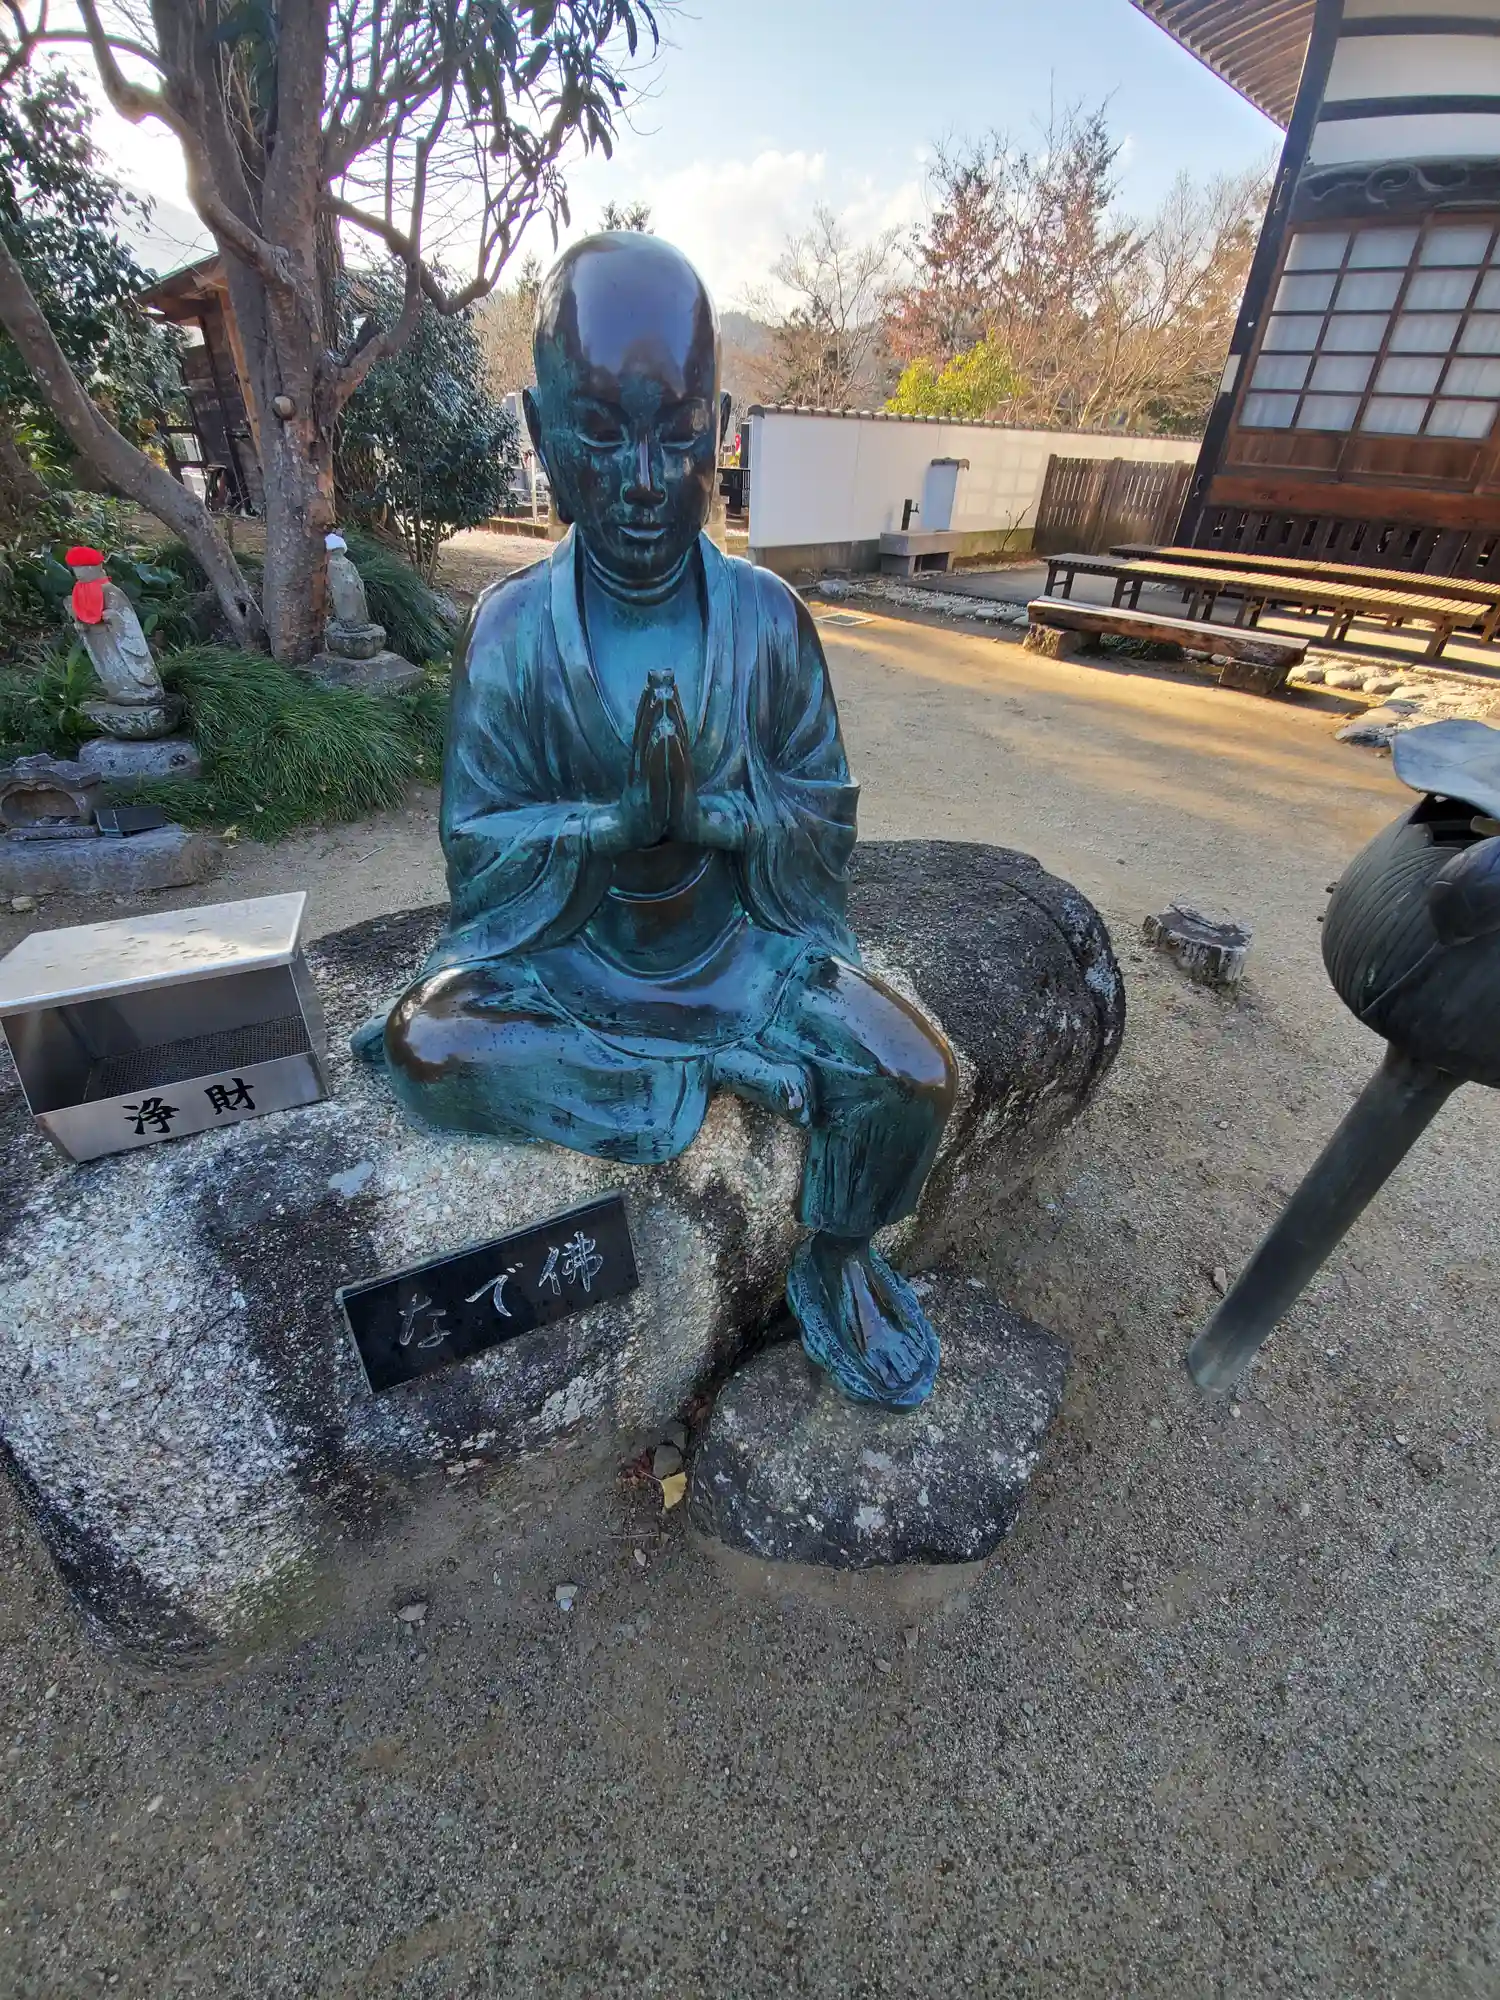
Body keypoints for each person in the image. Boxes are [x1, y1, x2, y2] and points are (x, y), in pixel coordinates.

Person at [357, 231, 956, 1407]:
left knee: (911, 1072)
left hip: (741, 949)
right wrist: (612, 823)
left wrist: (725, 816)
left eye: (676, 433)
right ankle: (696, 1071)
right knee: (429, 1043)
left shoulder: (769, 620)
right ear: (540, 435)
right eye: (599, 432)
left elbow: (823, 817)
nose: (641, 478)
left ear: (718, 428)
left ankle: (837, 1252)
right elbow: (477, 846)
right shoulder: (512, 631)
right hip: (573, 958)